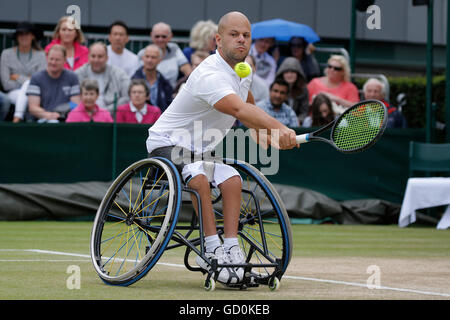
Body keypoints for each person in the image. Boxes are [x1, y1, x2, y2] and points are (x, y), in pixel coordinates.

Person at [146, 11, 298, 286]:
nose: (241, 40)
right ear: (218, 39)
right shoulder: (209, 75)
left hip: (200, 152)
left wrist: (260, 131)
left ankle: (231, 246)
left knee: (232, 178)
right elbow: (238, 108)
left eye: (246, 35)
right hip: (167, 144)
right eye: (234, 34)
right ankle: (210, 246)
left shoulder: (244, 70)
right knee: (200, 177)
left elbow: (247, 103)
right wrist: (280, 128)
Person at [0, 22, 46, 117]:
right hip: (12, 94)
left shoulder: (41, 55)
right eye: (21, 34)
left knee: (30, 97)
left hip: (35, 94)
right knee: (27, 98)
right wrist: (29, 79)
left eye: (27, 34)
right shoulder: (6, 54)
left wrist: (17, 77)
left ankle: (17, 120)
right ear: (16, 37)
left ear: (33, 36)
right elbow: (6, 85)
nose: (23, 37)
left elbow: (40, 83)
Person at [26, 45, 80, 122]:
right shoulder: (36, 78)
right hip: (42, 119)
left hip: (67, 119)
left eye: (57, 60)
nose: (53, 62)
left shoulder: (72, 77)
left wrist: (61, 111)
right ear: (47, 58)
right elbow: (33, 108)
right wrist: (49, 115)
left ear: (65, 60)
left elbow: (75, 103)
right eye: (51, 59)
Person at [75, 42, 130, 114]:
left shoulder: (119, 74)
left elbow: (127, 98)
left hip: (111, 117)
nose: (96, 60)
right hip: (83, 116)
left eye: (100, 56)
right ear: (88, 57)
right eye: (93, 56)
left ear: (107, 58)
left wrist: (104, 112)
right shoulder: (78, 74)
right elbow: (73, 99)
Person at [137, 22, 192, 89]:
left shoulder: (174, 49)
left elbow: (188, 71)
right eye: (157, 36)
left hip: (172, 92)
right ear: (151, 36)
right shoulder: (142, 53)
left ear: (170, 36)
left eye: (164, 36)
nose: (160, 39)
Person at [132, 44, 173, 112]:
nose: (149, 60)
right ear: (143, 58)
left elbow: (169, 105)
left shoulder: (165, 83)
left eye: (153, 57)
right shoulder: (133, 80)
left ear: (160, 60)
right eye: (147, 56)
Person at [275, 57, 309, 125]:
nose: (289, 75)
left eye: (293, 72)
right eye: (286, 72)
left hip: (298, 124)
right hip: (278, 121)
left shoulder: (303, 90)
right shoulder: (276, 87)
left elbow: (304, 111)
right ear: (282, 74)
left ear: (298, 74)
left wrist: (299, 120)